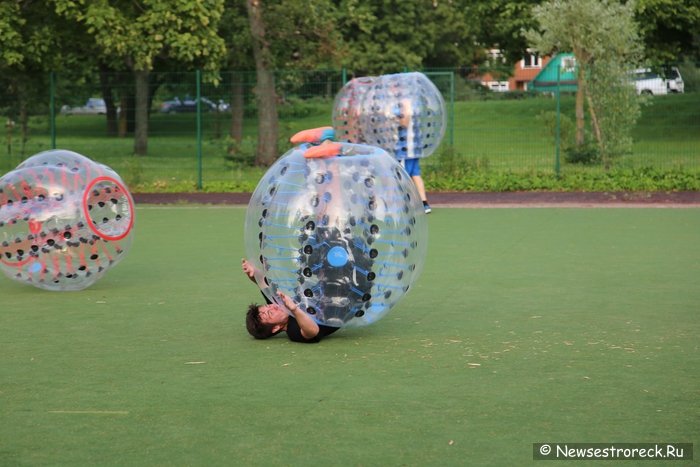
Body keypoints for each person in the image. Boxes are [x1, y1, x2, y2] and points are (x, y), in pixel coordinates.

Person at [242, 258, 340, 343]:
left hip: (329, 283)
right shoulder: (293, 330)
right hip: (344, 301)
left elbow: (262, 283)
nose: (273, 307)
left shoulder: (278, 305)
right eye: (270, 313)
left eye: (268, 306)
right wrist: (294, 309)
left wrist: (253, 272)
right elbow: (313, 331)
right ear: (276, 328)